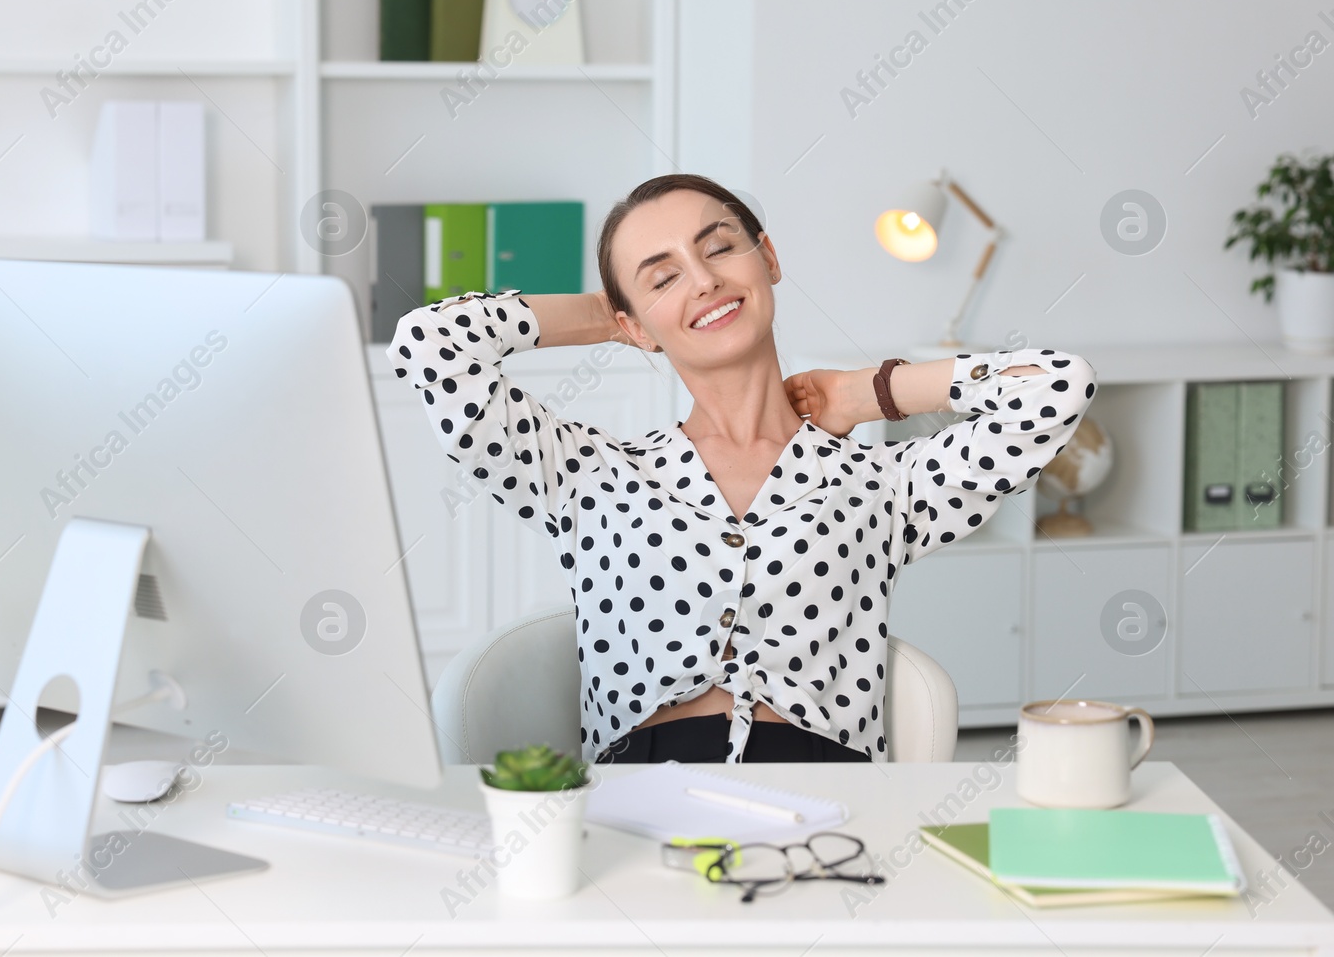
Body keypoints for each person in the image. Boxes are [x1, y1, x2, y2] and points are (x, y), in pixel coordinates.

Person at [386, 173, 1097, 764]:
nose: (702, 280)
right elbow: (430, 345)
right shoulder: (586, 477)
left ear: (768, 259)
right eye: (662, 277)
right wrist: (609, 315)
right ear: (636, 325)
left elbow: (1057, 387)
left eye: (719, 248)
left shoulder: (882, 483)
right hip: (642, 797)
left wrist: (865, 391)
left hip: (827, 793)